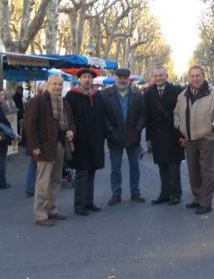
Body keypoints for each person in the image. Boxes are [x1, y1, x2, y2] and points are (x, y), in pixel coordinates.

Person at [174, 66, 214, 214]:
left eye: (198, 75)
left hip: (207, 138)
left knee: (206, 171)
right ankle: (197, 198)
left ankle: (206, 202)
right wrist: (180, 127)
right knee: (193, 171)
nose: (195, 78)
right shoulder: (182, 95)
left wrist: (213, 126)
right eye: (192, 76)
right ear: (189, 77)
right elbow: (176, 113)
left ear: (203, 76)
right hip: (189, 139)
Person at [24, 75, 75, 226]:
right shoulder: (38, 101)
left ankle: (51, 209)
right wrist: (35, 147)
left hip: (59, 146)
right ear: (48, 85)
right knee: (43, 182)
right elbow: (30, 125)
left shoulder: (64, 102)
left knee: (56, 181)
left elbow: (71, 121)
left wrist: (72, 131)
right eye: (54, 84)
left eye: (60, 84)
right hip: (44, 147)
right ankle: (40, 214)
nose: (58, 87)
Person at [65, 68, 107, 215]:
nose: (87, 79)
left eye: (89, 77)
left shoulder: (97, 96)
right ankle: (79, 205)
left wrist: (104, 134)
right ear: (79, 79)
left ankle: (89, 202)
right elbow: (68, 118)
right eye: (84, 77)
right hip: (80, 141)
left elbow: (103, 116)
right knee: (82, 173)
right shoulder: (72, 96)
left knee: (92, 172)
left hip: (95, 140)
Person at [102, 68, 146, 206]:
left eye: (125, 78)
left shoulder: (137, 94)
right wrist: (110, 131)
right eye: (120, 77)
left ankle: (135, 192)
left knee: (135, 167)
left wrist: (138, 129)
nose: (122, 80)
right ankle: (116, 194)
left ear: (129, 79)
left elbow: (143, 114)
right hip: (114, 137)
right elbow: (103, 116)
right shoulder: (105, 94)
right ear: (116, 78)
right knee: (115, 168)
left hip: (133, 136)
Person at [144, 67, 184, 205]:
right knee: (162, 167)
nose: (159, 78)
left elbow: (182, 115)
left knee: (174, 167)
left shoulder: (177, 91)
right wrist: (148, 138)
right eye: (156, 76)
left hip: (174, 134)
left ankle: (176, 193)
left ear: (167, 76)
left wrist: (182, 135)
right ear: (153, 77)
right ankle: (164, 193)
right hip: (157, 136)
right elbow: (147, 116)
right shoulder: (148, 93)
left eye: (161, 75)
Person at [0, 87, 20, 190]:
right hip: (0, 136)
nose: (4, 97)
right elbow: (1, 124)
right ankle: (1, 182)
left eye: (4, 95)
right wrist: (13, 134)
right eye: (1, 95)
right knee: (1, 158)